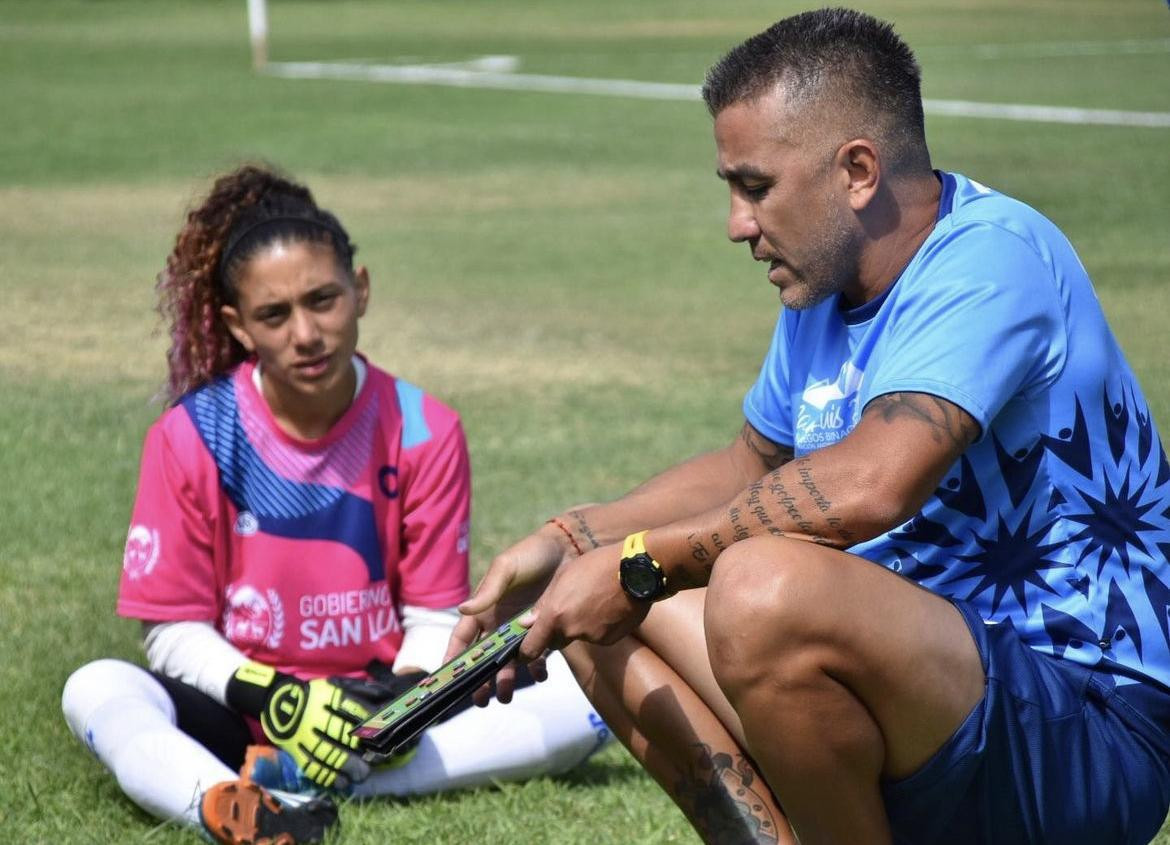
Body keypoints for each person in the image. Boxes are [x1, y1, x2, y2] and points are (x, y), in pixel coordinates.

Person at [451, 8, 1170, 845]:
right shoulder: (825, 283)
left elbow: (873, 483)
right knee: (591, 596)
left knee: (758, 591)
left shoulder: (993, 258)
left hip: (1084, 725)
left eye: (754, 186)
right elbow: (750, 463)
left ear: (857, 170)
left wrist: (640, 562)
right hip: (931, 703)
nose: (736, 223)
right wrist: (569, 538)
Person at [61, 164, 609, 845]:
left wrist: (405, 703)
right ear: (238, 326)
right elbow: (171, 629)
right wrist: (271, 694)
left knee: (593, 688)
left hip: (380, 706)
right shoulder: (192, 433)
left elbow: (434, 614)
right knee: (95, 685)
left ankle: (286, 777)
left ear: (362, 290)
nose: (306, 333)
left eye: (323, 300)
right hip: (243, 700)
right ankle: (222, 803)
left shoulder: (426, 426)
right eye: (274, 314)